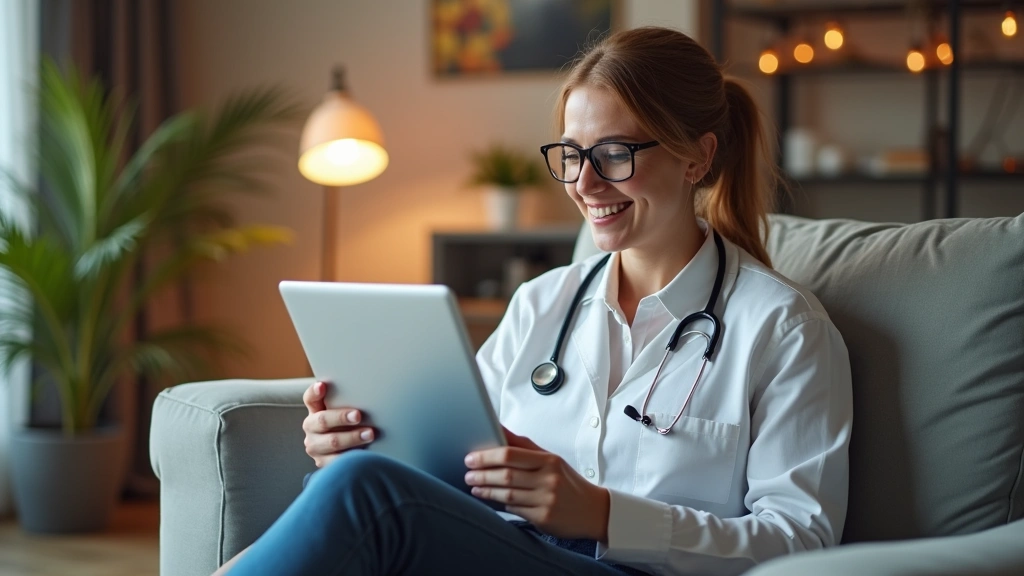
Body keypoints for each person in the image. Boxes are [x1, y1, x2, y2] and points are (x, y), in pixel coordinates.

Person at [221, 26, 852, 576]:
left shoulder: (781, 328)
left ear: (697, 156)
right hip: (510, 550)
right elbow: (457, 463)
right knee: (346, 478)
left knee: (366, 495)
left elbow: (801, 540)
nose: (584, 183)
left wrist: (606, 516)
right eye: (573, 155)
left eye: (614, 154)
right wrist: (364, 439)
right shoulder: (541, 304)